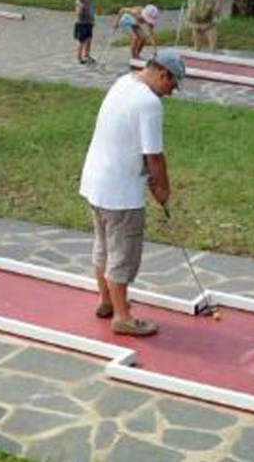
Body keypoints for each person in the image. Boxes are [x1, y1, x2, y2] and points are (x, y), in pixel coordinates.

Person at [79, 51, 186, 337]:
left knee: (103, 245)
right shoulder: (150, 103)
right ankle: (123, 317)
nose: (172, 93)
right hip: (120, 192)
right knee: (123, 253)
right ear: (164, 74)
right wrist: (163, 190)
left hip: (95, 181)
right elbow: (154, 156)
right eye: (173, 85)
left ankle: (106, 302)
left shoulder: (124, 82)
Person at [73, 0, 97, 65]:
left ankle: (87, 55)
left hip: (89, 23)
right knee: (81, 41)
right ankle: (79, 57)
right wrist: (80, 9)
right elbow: (78, 14)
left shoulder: (91, 0)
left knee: (89, 39)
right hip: (81, 23)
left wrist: (93, 20)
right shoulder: (79, 2)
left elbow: (92, 11)